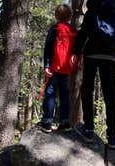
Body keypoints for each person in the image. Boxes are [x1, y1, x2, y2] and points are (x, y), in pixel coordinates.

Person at [73, 0, 115, 149]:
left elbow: (83, 32)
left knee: (87, 90)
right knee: (110, 95)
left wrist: (76, 52)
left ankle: (89, 130)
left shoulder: (93, 8)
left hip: (91, 53)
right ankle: (112, 136)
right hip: (110, 56)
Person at [39, 4, 76, 133]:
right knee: (64, 95)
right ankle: (64, 123)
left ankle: (47, 122)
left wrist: (47, 66)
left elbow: (48, 48)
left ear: (56, 15)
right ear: (70, 16)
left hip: (54, 67)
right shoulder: (72, 30)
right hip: (66, 69)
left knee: (50, 94)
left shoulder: (55, 29)